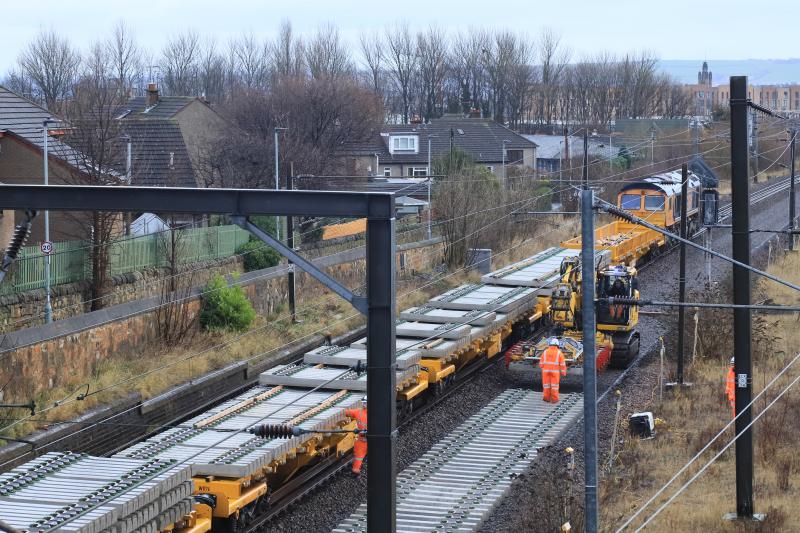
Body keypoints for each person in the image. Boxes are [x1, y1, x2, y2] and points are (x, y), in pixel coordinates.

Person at [345, 396, 368, 476]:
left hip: (363, 440)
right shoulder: (378, 413)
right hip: (374, 440)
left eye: (365, 403)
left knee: (359, 456)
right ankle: (355, 471)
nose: (364, 404)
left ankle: (355, 471)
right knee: (359, 456)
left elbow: (346, 412)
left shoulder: (359, 412)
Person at [539, 338, 567, 403]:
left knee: (546, 385)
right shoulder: (559, 353)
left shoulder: (545, 352)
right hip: (555, 372)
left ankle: (546, 398)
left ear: (550, 344)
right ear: (557, 345)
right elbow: (562, 364)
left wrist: (542, 367)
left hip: (545, 372)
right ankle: (554, 399)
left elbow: (541, 363)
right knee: (554, 386)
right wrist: (563, 373)